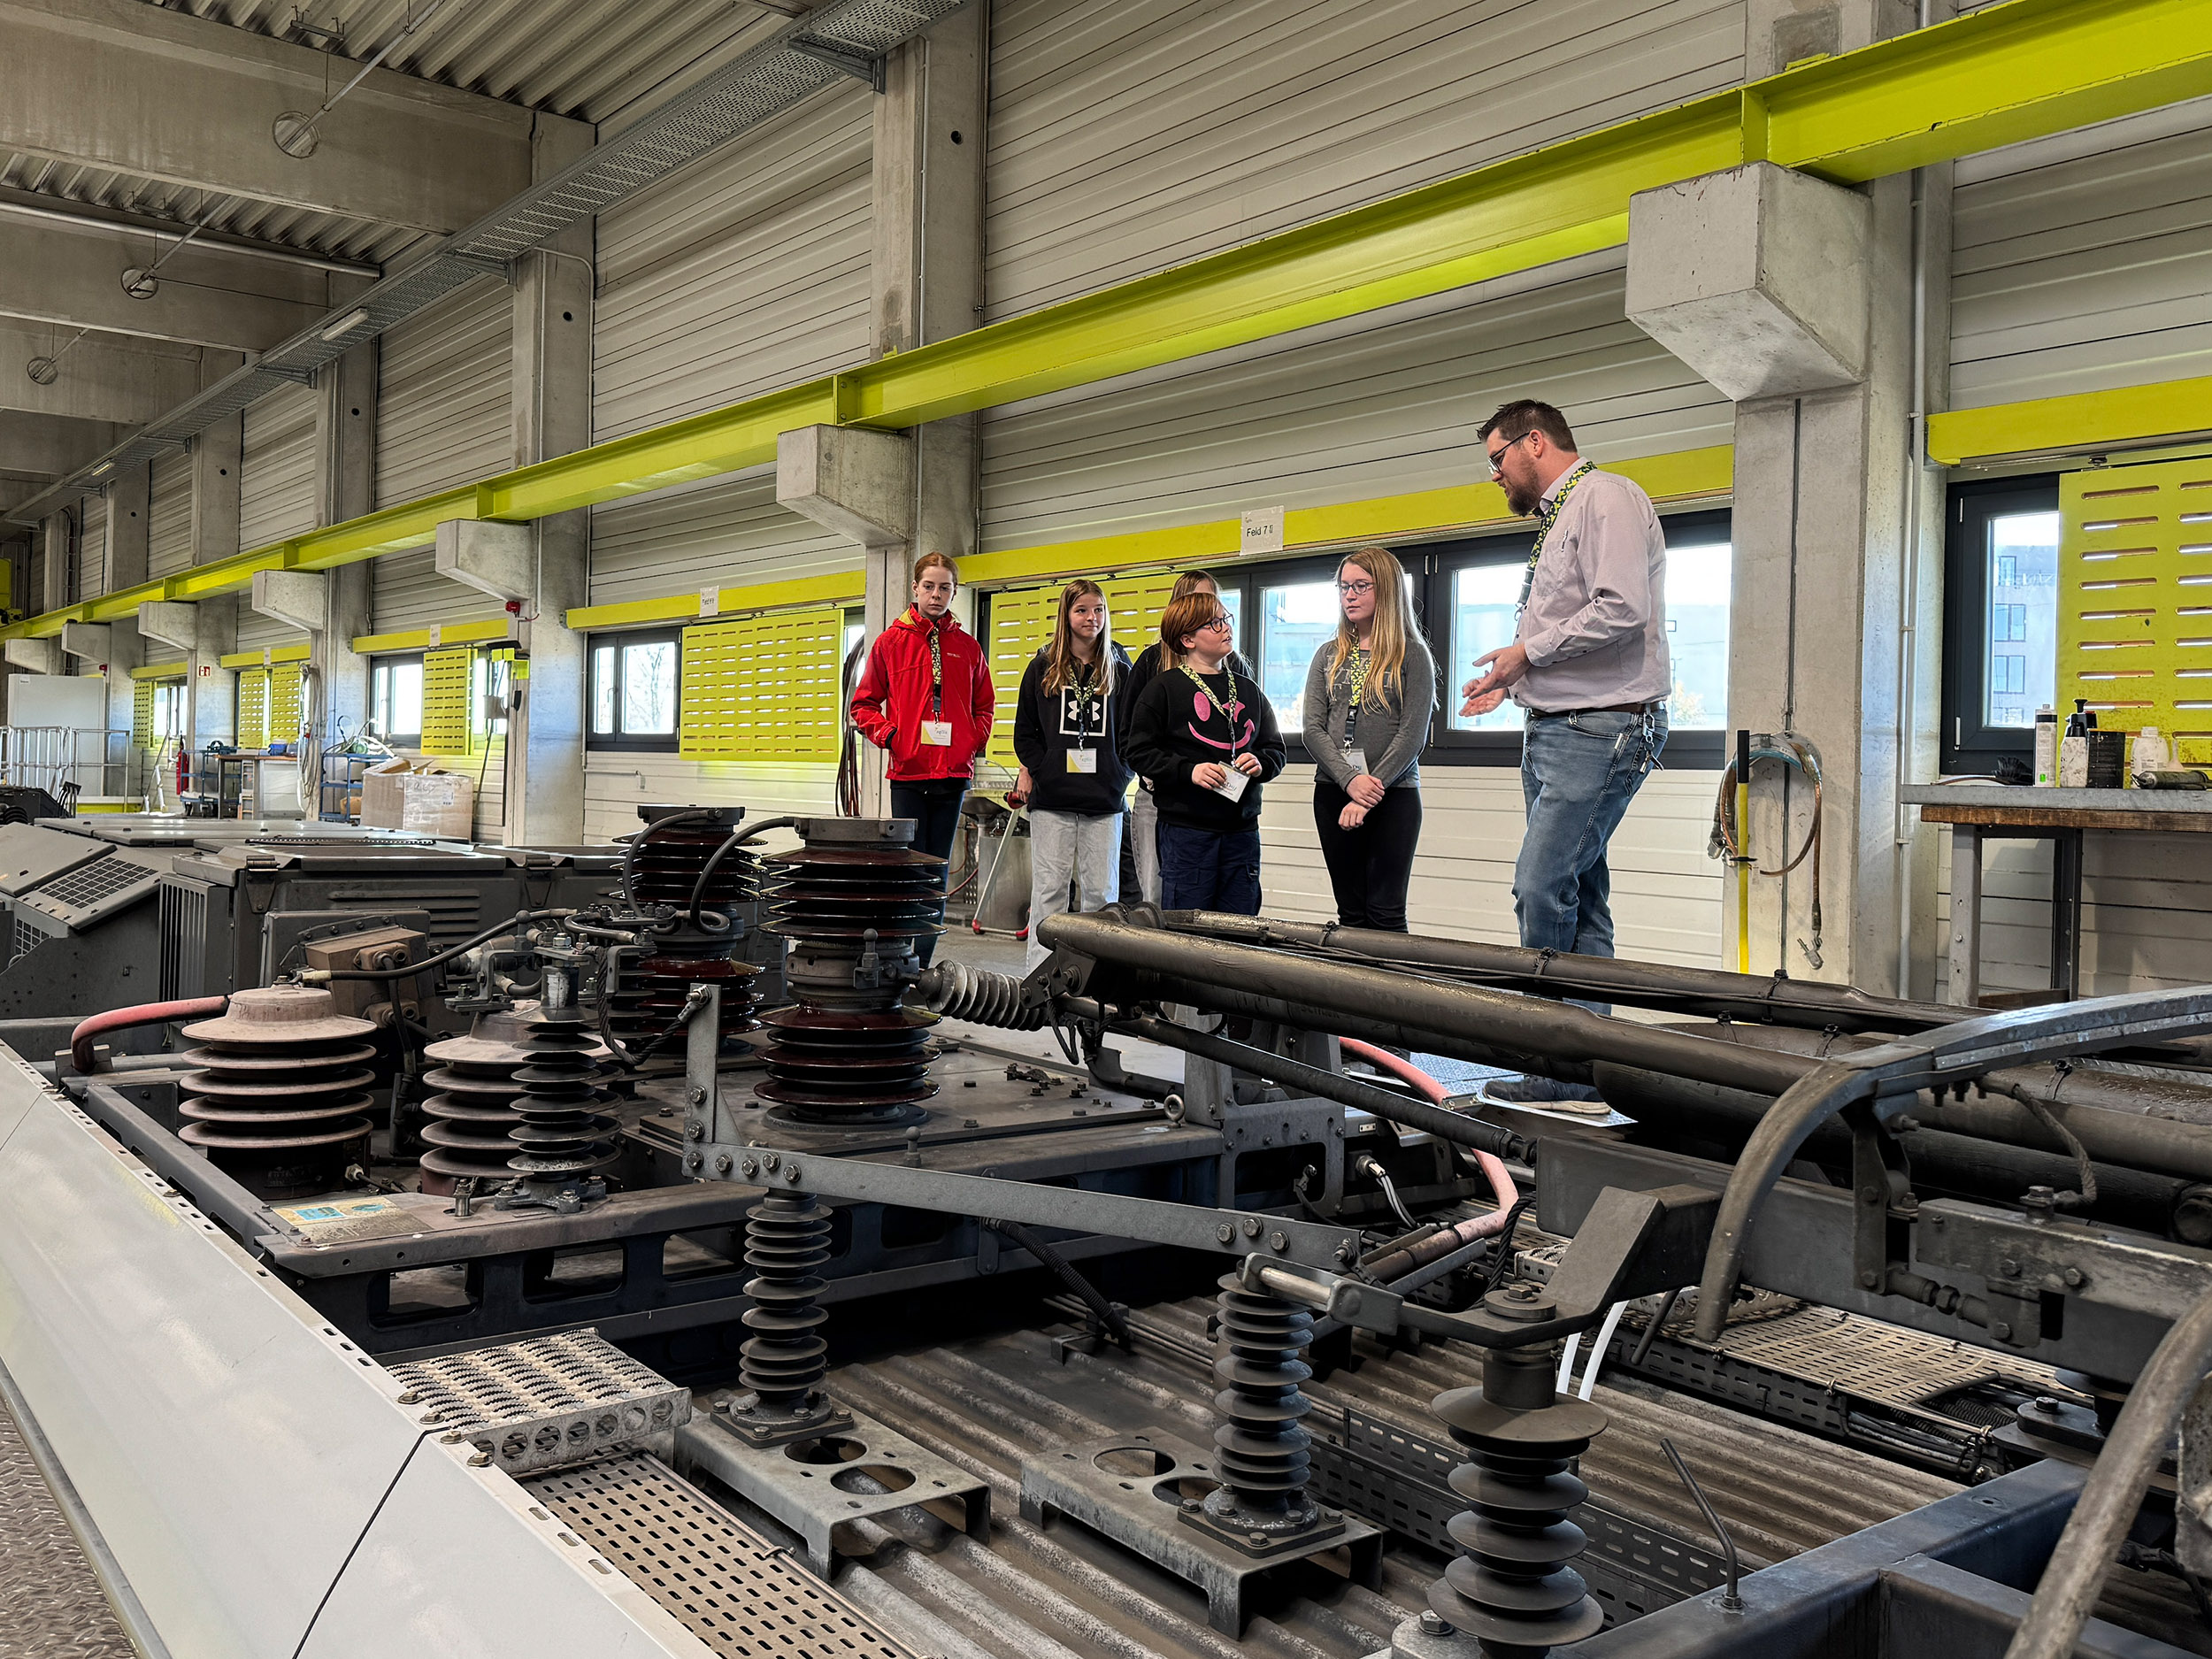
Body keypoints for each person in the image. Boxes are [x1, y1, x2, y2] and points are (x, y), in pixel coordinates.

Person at [1460, 400, 1669, 1098]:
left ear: (1535, 442)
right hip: (1559, 724)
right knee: (1581, 896)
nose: (1495, 474)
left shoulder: (1603, 498)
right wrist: (1514, 680)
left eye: (1497, 458)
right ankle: (1588, 1068)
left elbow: (1620, 606)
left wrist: (1528, 653)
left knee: (1541, 885)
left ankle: (1548, 1063)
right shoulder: (1564, 515)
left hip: (1598, 729)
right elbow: (1574, 618)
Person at [849, 551, 993, 965]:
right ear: (915, 588)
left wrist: (971, 741)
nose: (936, 594)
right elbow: (863, 706)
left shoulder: (967, 647)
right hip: (909, 774)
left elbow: (985, 705)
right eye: (929, 586)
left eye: (945, 587)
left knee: (936, 873)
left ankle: (922, 965)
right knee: (909, 871)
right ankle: (897, 959)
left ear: (954, 591)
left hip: (952, 775)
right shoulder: (890, 643)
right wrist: (893, 737)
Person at [1125, 591, 1285, 915]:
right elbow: (1138, 751)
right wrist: (1189, 771)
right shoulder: (1163, 689)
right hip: (1187, 834)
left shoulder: (1249, 688)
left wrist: (1261, 763)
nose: (1226, 628)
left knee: (1241, 928)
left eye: (1226, 619)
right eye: (1214, 624)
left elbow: (1275, 748)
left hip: (1242, 833)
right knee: (1189, 930)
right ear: (1187, 639)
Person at [1302, 545, 1436, 933]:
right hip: (1333, 792)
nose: (1350, 595)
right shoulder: (1328, 654)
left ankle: (1395, 995)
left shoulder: (1412, 655)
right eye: (1344, 587)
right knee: (1352, 915)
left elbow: (1412, 734)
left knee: (1386, 914)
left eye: (1362, 586)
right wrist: (1350, 781)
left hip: (1394, 795)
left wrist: (1369, 789)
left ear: (1389, 591)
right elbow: (1313, 728)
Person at [1012, 581, 1133, 967]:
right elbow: (1025, 733)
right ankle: (1038, 975)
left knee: (1102, 894)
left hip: (1105, 800)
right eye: (1082, 610)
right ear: (1066, 615)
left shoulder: (1120, 666)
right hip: (1053, 801)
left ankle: (1098, 978)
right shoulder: (1042, 667)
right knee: (1049, 891)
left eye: (1099, 610)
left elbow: (1133, 731)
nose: (1092, 618)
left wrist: (1120, 773)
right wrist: (1044, 769)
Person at [1117, 570, 1252, 905]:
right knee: (1159, 896)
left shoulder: (1238, 669)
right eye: (1201, 612)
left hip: (1225, 805)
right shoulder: (1152, 663)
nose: (1216, 622)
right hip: (1164, 798)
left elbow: (1260, 737)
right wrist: (1159, 775)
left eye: (1218, 614)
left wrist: (1256, 763)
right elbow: (1130, 738)